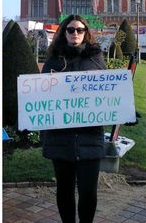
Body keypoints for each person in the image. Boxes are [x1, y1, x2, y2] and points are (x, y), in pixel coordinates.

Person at [41, 15, 106, 223]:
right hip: (61, 136)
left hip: (89, 134)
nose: (75, 33)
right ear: (64, 32)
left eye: (79, 29)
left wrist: (125, 112)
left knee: (89, 193)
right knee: (64, 191)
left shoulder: (96, 59)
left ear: (86, 32)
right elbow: (41, 94)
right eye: (70, 30)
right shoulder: (53, 60)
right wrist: (27, 119)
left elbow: (107, 92)